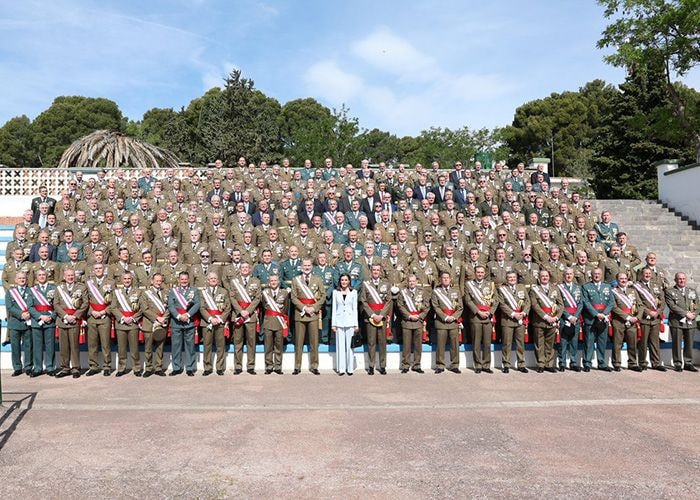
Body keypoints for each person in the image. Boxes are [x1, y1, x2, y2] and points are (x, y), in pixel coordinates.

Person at [291, 258, 326, 375]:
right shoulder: (296, 280)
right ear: (301, 267)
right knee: (299, 342)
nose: (307, 267)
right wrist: (304, 308)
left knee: (314, 342)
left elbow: (323, 296)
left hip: (313, 314)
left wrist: (314, 308)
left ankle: (314, 365)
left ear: (312, 266)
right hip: (300, 314)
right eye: (305, 265)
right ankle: (297, 366)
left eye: (309, 265)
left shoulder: (318, 279)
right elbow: (293, 298)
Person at [53, 268, 88, 378]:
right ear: (64, 277)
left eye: (72, 275)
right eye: (68, 275)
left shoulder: (81, 287)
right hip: (63, 320)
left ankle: (76, 368)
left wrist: (75, 316)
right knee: (63, 346)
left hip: (75, 319)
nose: (70, 277)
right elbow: (56, 304)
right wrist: (66, 316)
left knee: (74, 345)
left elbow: (85, 303)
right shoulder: (59, 288)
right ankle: (65, 368)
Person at [229, 262, 261, 374]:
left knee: (251, 342)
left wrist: (248, 311)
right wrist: (240, 311)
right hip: (238, 315)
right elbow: (232, 298)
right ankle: (238, 366)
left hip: (250, 315)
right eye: (243, 267)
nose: (245, 269)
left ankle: (251, 366)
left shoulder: (256, 281)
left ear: (250, 269)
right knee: (238, 342)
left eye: (246, 267)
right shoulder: (234, 282)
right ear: (239, 269)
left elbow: (258, 298)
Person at [360, 264, 393, 375]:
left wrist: (382, 315)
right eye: (374, 270)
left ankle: (382, 366)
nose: (375, 272)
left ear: (380, 272)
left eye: (378, 270)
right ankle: (371, 365)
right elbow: (363, 301)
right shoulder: (366, 285)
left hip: (382, 317)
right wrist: (373, 315)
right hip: (370, 317)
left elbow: (389, 301)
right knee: (371, 342)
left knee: (382, 342)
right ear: (371, 271)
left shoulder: (386, 284)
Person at [530, 269, 564, 373]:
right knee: (539, 344)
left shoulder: (555, 289)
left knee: (550, 344)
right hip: (539, 320)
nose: (545, 278)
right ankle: (540, 364)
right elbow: (535, 305)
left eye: (546, 276)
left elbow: (560, 304)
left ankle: (549, 364)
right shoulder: (534, 290)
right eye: (542, 276)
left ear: (549, 277)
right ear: (539, 278)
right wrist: (545, 317)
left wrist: (557, 317)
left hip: (553, 320)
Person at [464, 265, 497, 373]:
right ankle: (478, 365)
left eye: (482, 272)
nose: (480, 274)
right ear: (475, 273)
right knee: (476, 342)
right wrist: (478, 312)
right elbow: (468, 300)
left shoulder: (490, 284)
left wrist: (490, 312)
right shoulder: (469, 285)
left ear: (485, 273)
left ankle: (486, 365)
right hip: (476, 317)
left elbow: (495, 300)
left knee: (487, 343)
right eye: (478, 272)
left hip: (488, 316)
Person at [633, 267, 666, 371]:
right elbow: (638, 303)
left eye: (649, 273)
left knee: (655, 342)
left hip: (655, 318)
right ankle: (643, 362)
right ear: (641, 275)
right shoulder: (637, 286)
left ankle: (656, 363)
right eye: (645, 273)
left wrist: (658, 312)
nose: (647, 275)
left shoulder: (656, 285)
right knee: (643, 342)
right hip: (644, 318)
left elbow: (662, 301)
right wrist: (649, 312)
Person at [497, 271, 531, 373]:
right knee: (506, 344)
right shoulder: (502, 289)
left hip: (520, 319)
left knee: (520, 344)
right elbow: (502, 304)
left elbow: (527, 302)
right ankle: (506, 364)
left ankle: (521, 364)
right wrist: (513, 314)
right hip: (508, 320)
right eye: (510, 277)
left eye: (513, 277)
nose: (512, 279)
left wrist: (523, 313)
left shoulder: (522, 287)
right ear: (506, 279)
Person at [168, 271, 201, 376]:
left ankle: (190, 368)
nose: (184, 281)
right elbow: (171, 306)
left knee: (190, 346)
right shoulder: (173, 291)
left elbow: (197, 304)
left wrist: (187, 315)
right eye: (182, 279)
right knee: (176, 346)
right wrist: (178, 316)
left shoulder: (194, 290)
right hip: (176, 322)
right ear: (179, 280)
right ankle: (176, 368)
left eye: (186, 279)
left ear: (189, 280)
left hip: (189, 322)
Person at [581, 268, 614, 372]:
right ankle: (587, 363)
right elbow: (585, 302)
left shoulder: (607, 286)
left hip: (603, 319)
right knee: (589, 342)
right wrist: (596, 314)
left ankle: (602, 363)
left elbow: (611, 302)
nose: (597, 275)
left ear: (602, 275)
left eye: (599, 274)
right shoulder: (586, 286)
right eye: (595, 274)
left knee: (602, 342)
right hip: (591, 318)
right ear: (591, 275)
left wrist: (604, 314)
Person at [664, 272, 698, 372]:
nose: (682, 280)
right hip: (676, 321)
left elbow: (697, 305)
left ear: (686, 280)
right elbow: (672, 306)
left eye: (683, 279)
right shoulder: (670, 291)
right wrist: (685, 314)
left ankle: (688, 363)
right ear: (675, 280)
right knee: (677, 343)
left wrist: (693, 314)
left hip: (690, 321)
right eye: (679, 279)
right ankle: (677, 363)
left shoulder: (692, 291)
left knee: (689, 343)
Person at [396, 274, 430, 374]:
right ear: (407, 282)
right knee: (406, 345)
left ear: (416, 282)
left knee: (418, 345)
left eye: (413, 281)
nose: (412, 283)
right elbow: (400, 306)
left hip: (418, 321)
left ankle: (417, 365)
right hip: (407, 321)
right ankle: (406, 365)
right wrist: (409, 316)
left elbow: (427, 306)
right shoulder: (403, 293)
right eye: (410, 281)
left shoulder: (422, 292)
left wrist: (420, 316)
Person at [431, 271, 464, 374]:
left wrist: (454, 317)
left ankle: (454, 365)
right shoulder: (436, 292)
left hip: (453, 322)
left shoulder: (456, 291)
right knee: (440, 345)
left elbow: (460, 307)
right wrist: (445, 317)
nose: (445, 279)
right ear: (440, 280)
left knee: (455, 345)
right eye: (443, 278)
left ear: (450, 279)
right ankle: (440, 365)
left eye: (447, 278)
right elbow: (435, 307)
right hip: (442, 322)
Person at [85, 263, 114, 376]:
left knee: (105, 343)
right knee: (92, 344)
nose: (98, 270)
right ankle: (93, 366)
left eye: (100, 268)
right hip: (92, 316)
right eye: (96, 268)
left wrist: (103, 312)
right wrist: (92, 311)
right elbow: (85, 299)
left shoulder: (111, 283)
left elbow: (114, 301)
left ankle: (107, 366)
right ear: (93, 270)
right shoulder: (88, 283)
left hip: (104, 316)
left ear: (104, 269)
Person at [199, 272, 232, 376]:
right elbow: (202, 308)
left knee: (220, 346)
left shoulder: (224, 291)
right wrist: (210, 319)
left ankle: (220, 368)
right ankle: (207, 367)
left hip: (220, 322)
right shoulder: (203, 292)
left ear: (218, 280)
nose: (213, 280)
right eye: (211, 278)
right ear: (208, 280)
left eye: (215, 278)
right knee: (207, 346)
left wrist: (221, 319)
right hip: (207, 322)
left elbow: (228, 307)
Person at [111, 272, 143, 376]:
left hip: (133, 323)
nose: (127, 280)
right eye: (125, 278)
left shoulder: (138, 292)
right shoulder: (117, 292)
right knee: (122, 348)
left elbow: (141, 308)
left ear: (132, 279)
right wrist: (123, 318)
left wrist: (133, 318)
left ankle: (136, 368)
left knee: (134, 348)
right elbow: (113, 307)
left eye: (129, 278)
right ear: (121, 280)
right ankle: (121, 368)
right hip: (121, 323)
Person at [139, 273, 169, 377]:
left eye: (160, 281)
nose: (158, 283)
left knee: (160, 347)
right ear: (152, 281)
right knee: (148, 348)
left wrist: (163, 318)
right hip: (149, 324)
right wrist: (157, 318)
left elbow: (169, 307)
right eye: (156, 281)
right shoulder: (145, 293)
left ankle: (158, 367)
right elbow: (144, 309)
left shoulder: (166, 292)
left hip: (162, 324)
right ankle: (148, 368)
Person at [610, 272, 641, 372]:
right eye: (621, 279)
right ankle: (617, 363)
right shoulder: (613, 291)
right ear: (617, 280)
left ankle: (632, 363)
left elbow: (640, 305)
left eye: (625, 279)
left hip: (633, 321)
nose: (623, 281)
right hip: (619, 321)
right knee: (617, 344)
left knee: (632, 343)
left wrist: (638, 317)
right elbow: (614, 307)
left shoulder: (633, 291)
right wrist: (627, 317)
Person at [29, 269, 57, 376]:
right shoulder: (32, 290)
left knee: (50, 345)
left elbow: (57, 304)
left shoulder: (53, 289)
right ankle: (37, 368)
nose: (41, 277)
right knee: (37, 346)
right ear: (36, 277)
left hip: (50, 321)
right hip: (37, 321)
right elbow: (30, 307)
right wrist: (40, 316)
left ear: (47, 276)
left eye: (43, 275)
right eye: (39, 275)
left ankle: (50, 367)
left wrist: (51, 316)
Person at [261, 274, 289, 375]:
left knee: (279, 345)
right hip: (268, 321)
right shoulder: (265, 293)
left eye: (275, 280)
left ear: (279, 282)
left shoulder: (284, 293)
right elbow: (264, 306)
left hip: (279, 322)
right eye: (272, 281)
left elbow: (286, 308)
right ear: (269, 282)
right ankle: (268, 366)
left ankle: (278, 366)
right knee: (268, 346)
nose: (273, 282)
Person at [331, 273, 359, 376]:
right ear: (340, 281)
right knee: (340, 346)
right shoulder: (335, 292)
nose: (344, 282)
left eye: (346, 280)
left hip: (350, 321)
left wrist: (356, 324)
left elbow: (354, 308)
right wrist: (333, 324)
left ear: (349, 281)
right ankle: (341, 368)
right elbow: (334, 309)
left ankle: (350, 368)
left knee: (350, 346)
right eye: (342, 280)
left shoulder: (354, 292)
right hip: (339, 322)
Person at [6, 272, 33, 376]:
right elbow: (10, 307)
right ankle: (17, 367)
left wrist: (28, 314)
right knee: (15, 346)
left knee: (28, 346)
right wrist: (21, 314)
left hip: (28, 322)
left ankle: (28, 367)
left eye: (24, 278)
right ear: (16, 280)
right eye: (20, 278)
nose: (22, 280)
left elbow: (35, 305)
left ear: (26, 279)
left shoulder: (31, 291)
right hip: (15, 323)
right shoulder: (10, 292)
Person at [557, 268, 583, 372]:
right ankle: (562, 363)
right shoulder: (560, 288)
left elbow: (581, 303)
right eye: (567, 274)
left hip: (575, 318)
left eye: (570, 274)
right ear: (564, 275)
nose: (568, 276)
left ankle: (573, 362)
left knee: (574, 341)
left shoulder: (578, 287)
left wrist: (576, 316)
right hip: (565, 318)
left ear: (573, 275)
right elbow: (559, 304)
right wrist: (568, 316)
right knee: (563, 342)